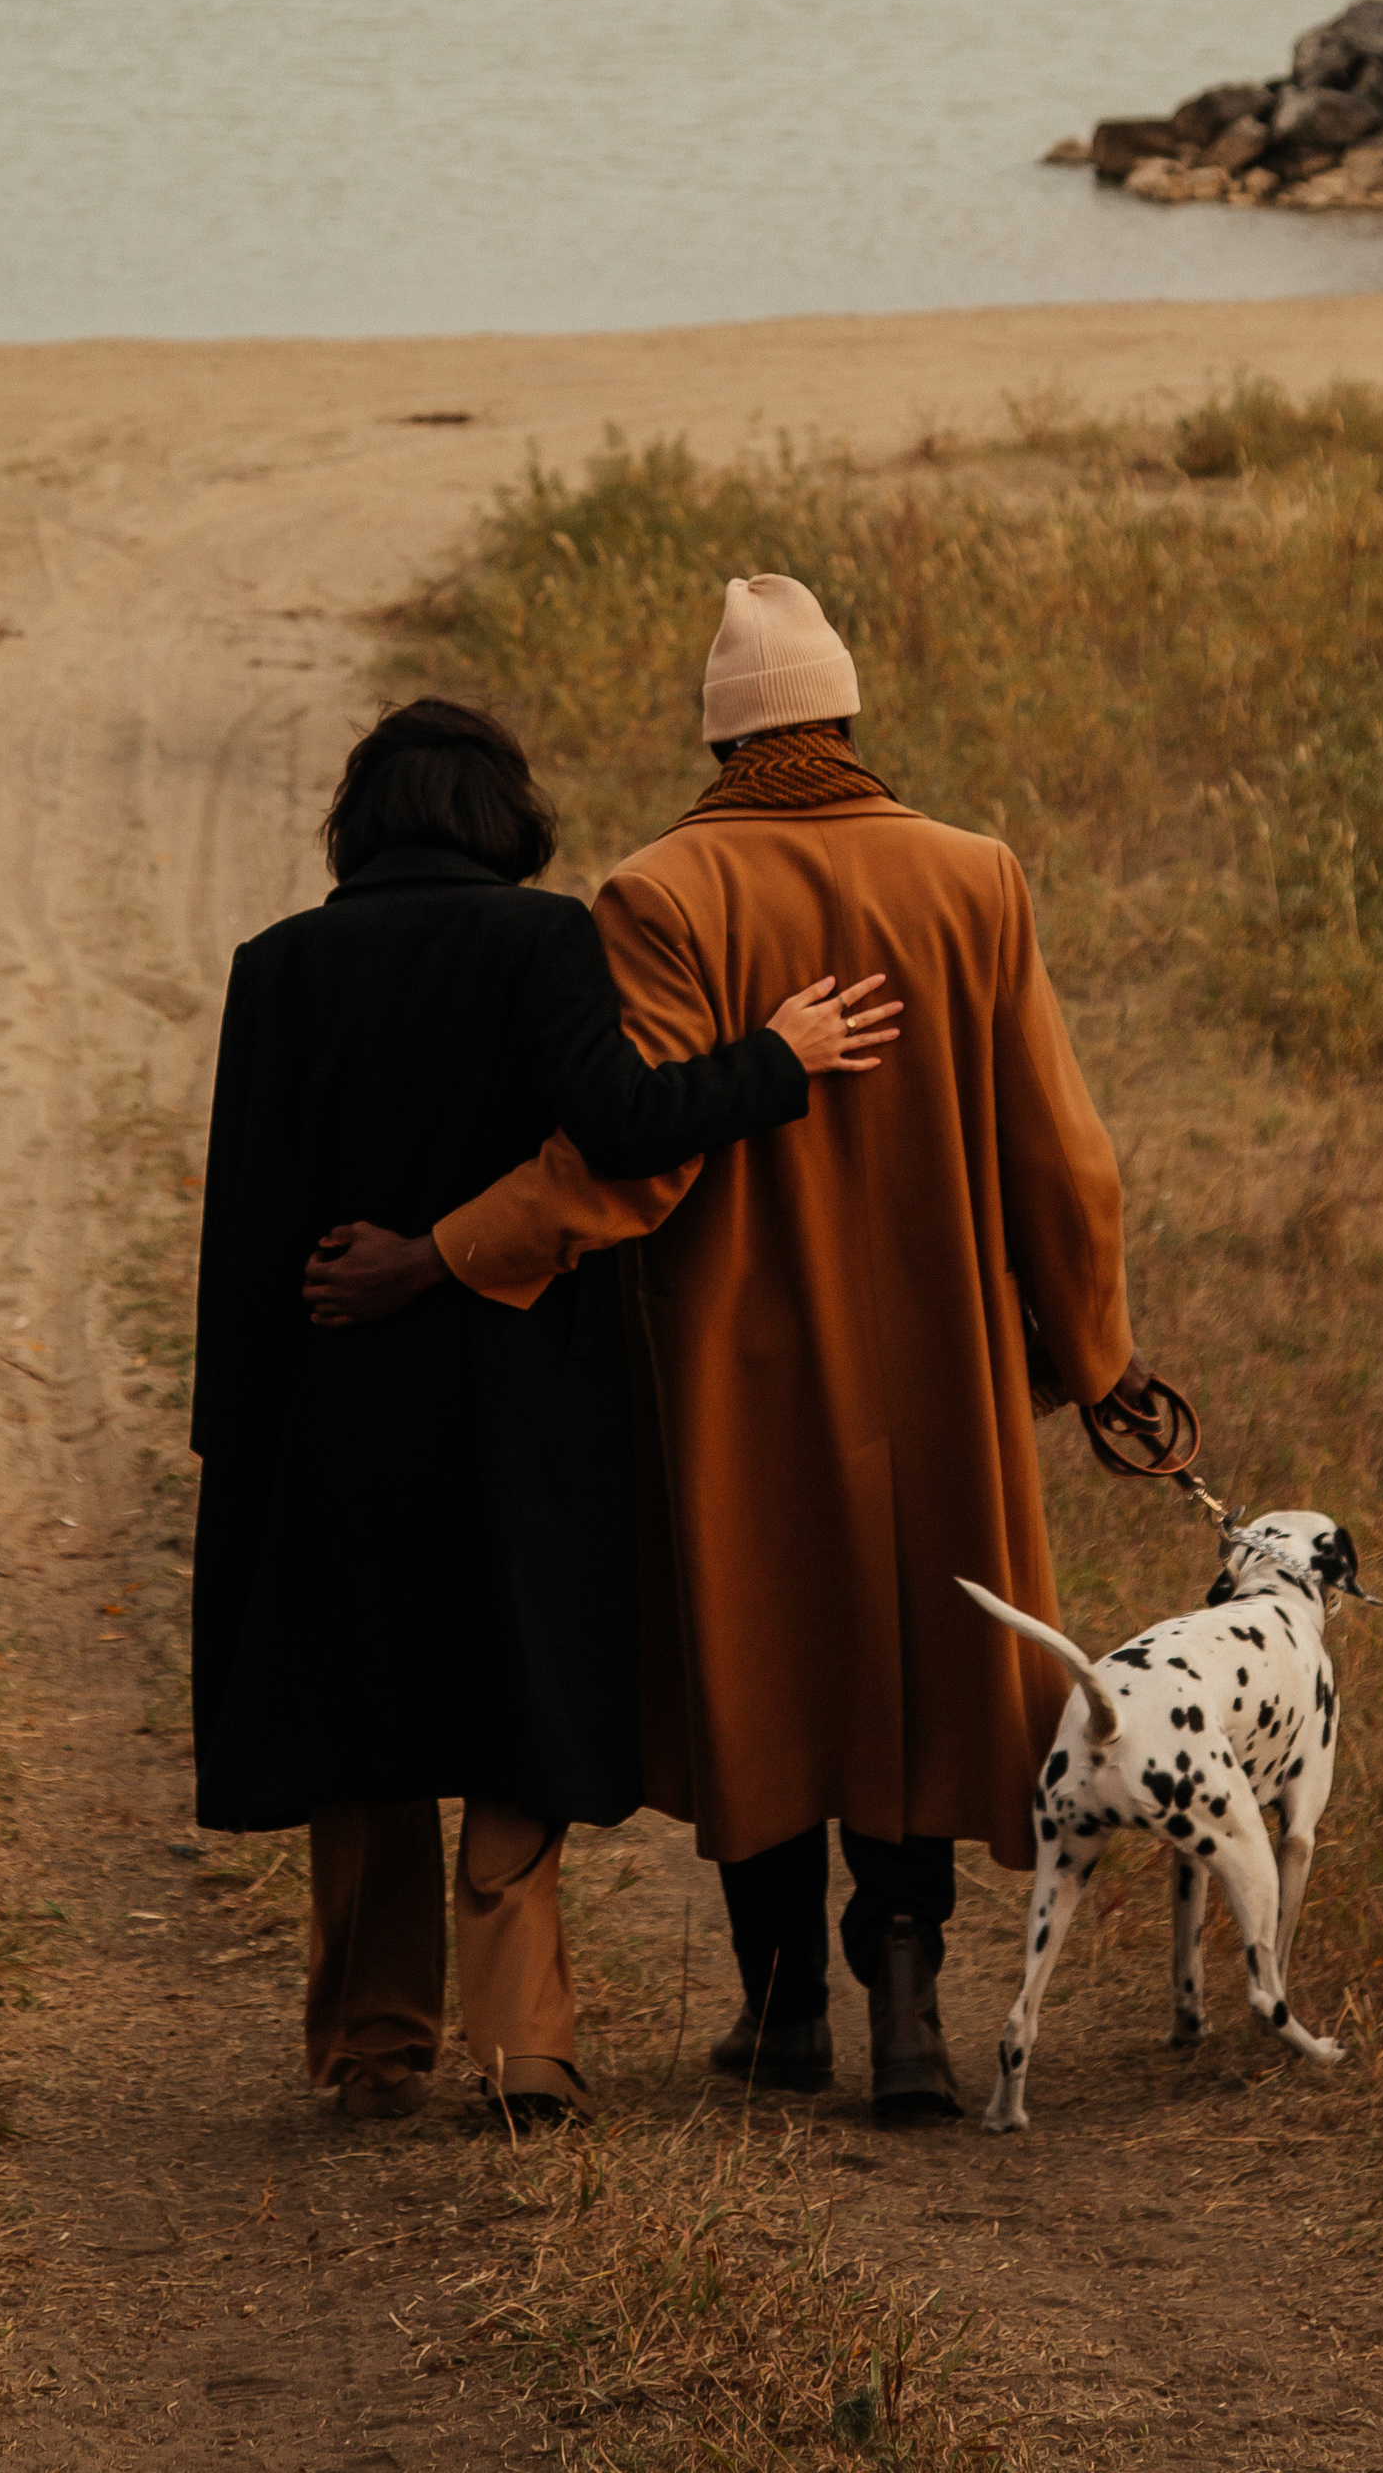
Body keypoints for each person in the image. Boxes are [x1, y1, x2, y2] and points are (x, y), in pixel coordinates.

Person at [306, 577, 1143, 2122]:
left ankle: (778, 2014)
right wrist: (1096, 1361)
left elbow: (629, 1164)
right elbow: (1066, 1159)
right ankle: (907, 2002)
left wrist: (442, 1254)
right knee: (908, 1652)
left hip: (733, 1370)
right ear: (843, 716)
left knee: (767, 1669)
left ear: (719, 737)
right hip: (939, 1367)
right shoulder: (977, 877)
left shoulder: (663, 893)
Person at [191, 692, 896, 2128]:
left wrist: (234, 1433)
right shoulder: (542, 939)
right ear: (503, 816)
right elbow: (622, 1137)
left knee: (364, 1728)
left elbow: (245, 1217)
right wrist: (779, 1059)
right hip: (516, 1403)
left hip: (330, 1398)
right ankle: (527, 2055)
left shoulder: (280, 967)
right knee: (517, 1711)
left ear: (362, 822)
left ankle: (375, 2048)